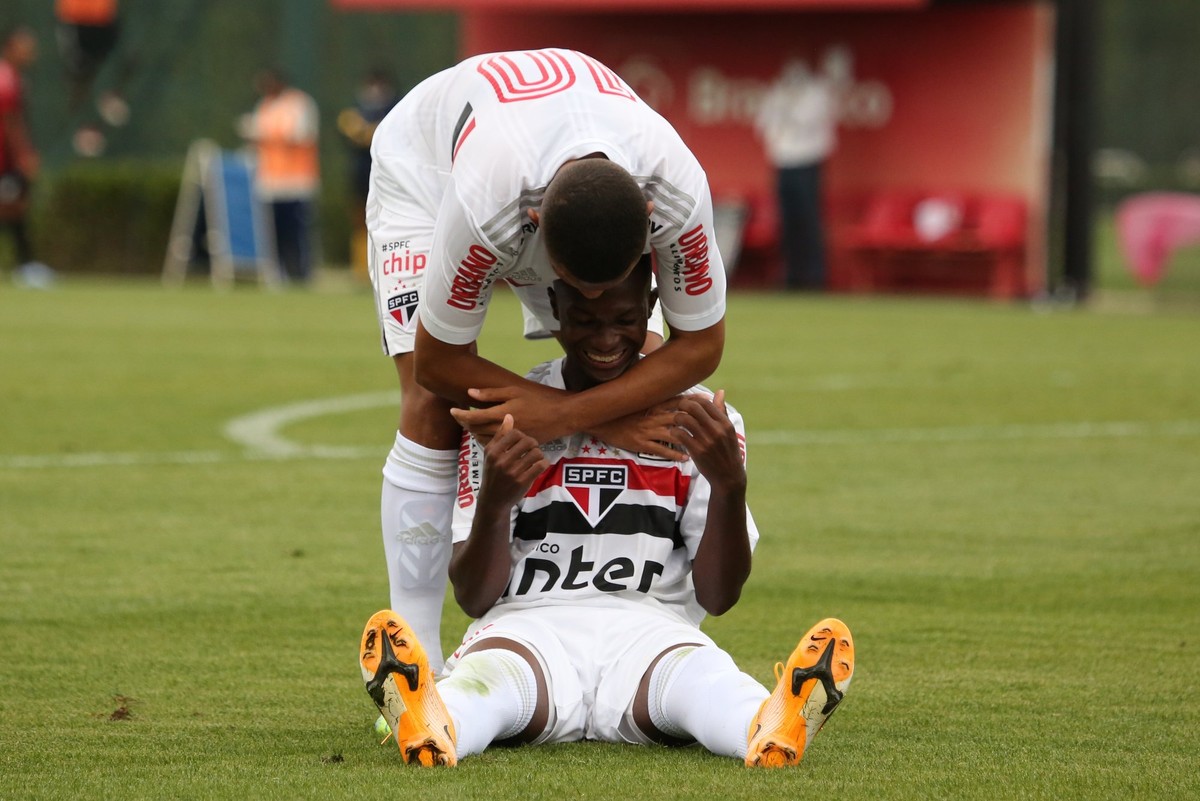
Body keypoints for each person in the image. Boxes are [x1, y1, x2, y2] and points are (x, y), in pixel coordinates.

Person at [357, 261, 855, 767]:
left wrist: (729, 484)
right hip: (528, 627)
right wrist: (496, 501)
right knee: (491, 687)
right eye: (586, 320)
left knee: (706, 682)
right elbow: (474, 595)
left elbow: (719, 596)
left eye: (624, 319)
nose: (606, 338)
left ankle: (768, 726)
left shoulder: (699, 420)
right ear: (553, 308)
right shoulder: (506, 416)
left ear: (651, 307)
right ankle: (435, 726)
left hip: (652, 629)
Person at [365, 48, 728, 675]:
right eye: (571, 291)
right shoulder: (489, 205)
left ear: (649, 225)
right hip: (426, 172)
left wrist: (566, 413)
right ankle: (416, 664)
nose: (587, 306)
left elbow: (702, 345)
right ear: (534, 232)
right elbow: (438, 363)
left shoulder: (677, 192)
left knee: (627, 354)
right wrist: (600, 420)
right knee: (432, 405)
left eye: (609, 287)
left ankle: (655, 624)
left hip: (549, 168)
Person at [754, 48, 850, 291]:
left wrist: (787, 110)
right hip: (783, 163)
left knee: (809, 221)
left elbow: (804, 120)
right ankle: (792, 275)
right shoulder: (778, 92)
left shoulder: (816, 93)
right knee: (787, 222)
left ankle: (814, 276)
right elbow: (765, 123)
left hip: (807, 162)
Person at [239, 67, 320, 283]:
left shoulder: (299, 103)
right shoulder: (264, 106)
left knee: (297, 231)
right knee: (273, 232)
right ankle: (278, 273)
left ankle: (301, 274)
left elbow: (301, 134)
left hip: (296, 181)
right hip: (270, 182)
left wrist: (264, 135)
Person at [0, 24, 54, 286]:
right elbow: (11, 122)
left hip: (6, 160)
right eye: (24, 49)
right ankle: (26, 266)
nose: (30, 55)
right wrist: (24, 155)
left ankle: (26, 265)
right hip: (4, 160)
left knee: (14, 209)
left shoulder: (14, 77)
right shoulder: (6, 78)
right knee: (14, 207)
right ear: (9, 48)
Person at [337, 68, 400, 282]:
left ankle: (390, 267)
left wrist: (365, 131)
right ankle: (361, 270)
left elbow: (375, 135)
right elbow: (352, 134)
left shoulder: (397, 109)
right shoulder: (357, 111)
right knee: (360, 221)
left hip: (389, 175)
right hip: (361, 174)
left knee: (391, 220)